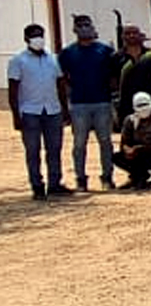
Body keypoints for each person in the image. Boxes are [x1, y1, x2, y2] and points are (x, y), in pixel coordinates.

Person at [8, 23, 72, 200]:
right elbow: (13, 90)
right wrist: (15, 115)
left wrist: (65, 109)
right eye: (34, 35)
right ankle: (37, 185)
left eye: (40, 34)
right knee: (33, 150)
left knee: (54, 149)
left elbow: (60, 85)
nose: (38, 38)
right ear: (26, 39)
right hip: (29, 111)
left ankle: (54, 184)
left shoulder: (53, 59)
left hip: (52, 110)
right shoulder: (18, 61)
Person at [58, 14, 117, 191]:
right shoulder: (68, 53)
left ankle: (107, 177)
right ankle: (81, 179)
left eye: (87, 25)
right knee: (79, 144)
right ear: (75, 29)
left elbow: (113, 76)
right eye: (81, 25)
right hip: (79, 104)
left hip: (102, 102)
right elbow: (63, 78)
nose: (85, 28)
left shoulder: (104, 50)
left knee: (105, 142)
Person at [113, 91, 151, 189]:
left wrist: (141, 148)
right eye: (139, 106)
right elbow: (124, 141)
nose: (143, 108)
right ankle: (138, 177)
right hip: (138, 154)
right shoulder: (130, 120)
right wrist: (127, 149)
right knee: (117, 157)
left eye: (145, 105)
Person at [116, 24, 151, 123]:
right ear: (122, 36)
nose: (131, 36)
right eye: (127, 33)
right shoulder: (116, 57)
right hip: (127, 104)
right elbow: (113, 81)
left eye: (134, 33)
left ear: (140, 35)